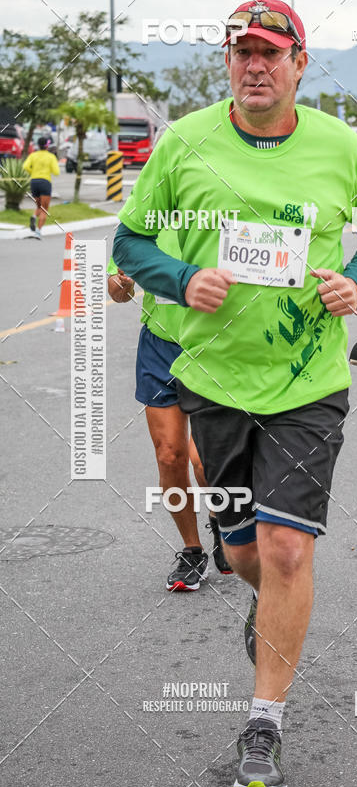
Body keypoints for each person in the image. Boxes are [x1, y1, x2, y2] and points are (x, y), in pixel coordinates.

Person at [112, 0, 357, 787]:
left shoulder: (341, 148)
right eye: (242, 51)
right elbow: (129, 241)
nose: (255, 65)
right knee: (242, 552)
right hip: (212, 381)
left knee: (286, 549)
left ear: (299, 64)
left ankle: (263, 726)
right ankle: (268, 603)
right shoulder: (185, 142)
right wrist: (179, 278)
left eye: (271, 52)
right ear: (229, 61)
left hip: (308, 382)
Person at [107, 235, 233, 589]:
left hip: (213, 346)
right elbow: (118, 292)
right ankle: (192, 551)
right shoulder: (146, 224)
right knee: (169, 455)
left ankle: (222, 521)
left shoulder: (216, 209)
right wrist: (123, 283)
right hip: (160, 347)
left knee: (205, 461)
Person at [22, 136, 60, 239]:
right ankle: (38, 232)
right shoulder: (51, 156)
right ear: (47, 146)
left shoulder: (33, 155)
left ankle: (34, 217)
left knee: (39, 206)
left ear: (38, 145)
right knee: (44, 209)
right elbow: (56, 172)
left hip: (34, 182)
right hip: (45, 182)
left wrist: (33, 172)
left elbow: (25, 166)